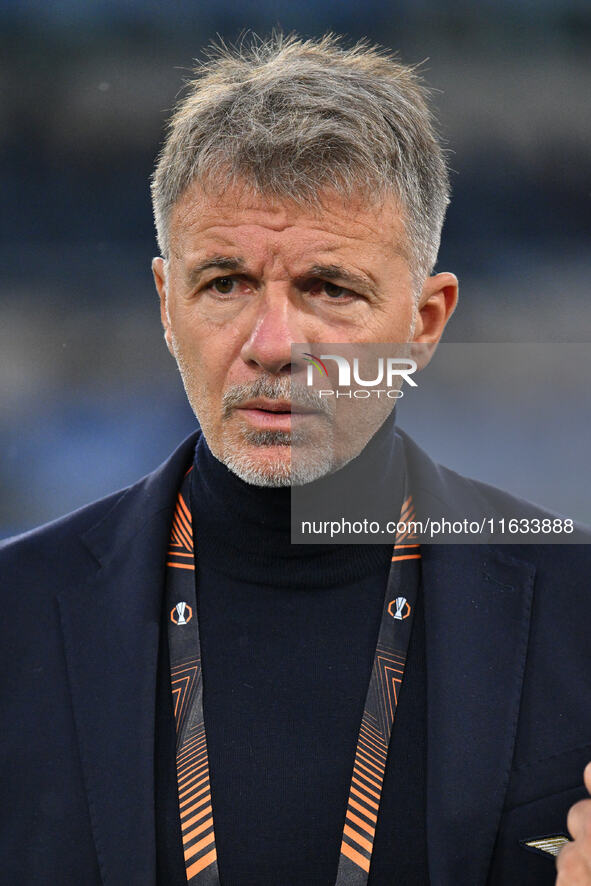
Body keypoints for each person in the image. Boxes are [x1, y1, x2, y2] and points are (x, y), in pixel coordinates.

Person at [1, 33, 591, 886]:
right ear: (167, 306)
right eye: (226, 283)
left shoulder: (579, 609)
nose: (272, 345)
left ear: (424, 323)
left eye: (329, 288)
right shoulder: (14, 617)